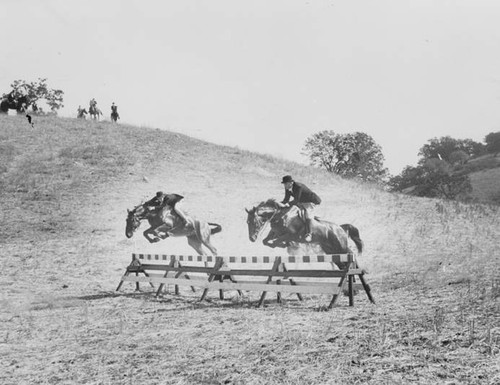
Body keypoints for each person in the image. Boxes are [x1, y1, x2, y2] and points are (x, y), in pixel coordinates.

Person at [280, 175, 321, 242]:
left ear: (291, 183)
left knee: (307, 215)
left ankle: (309, 234)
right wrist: (279, 204)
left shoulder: (299, 186)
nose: (285, 186)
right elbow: (286, 199)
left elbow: (296, 200)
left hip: (311, 201)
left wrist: (287, 204)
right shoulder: (288, 188)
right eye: (284, 184)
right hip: (301, 202)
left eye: (286, 184)